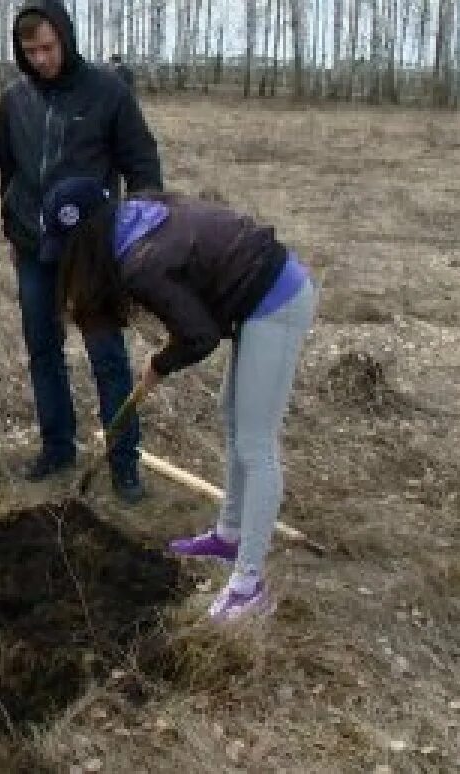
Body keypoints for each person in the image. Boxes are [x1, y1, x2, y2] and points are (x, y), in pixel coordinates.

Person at [43, 177, 317, 622]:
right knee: (232, 418)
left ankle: (249, 586)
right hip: (253, 299)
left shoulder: (138, 263)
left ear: (86, 240)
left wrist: (161, 363)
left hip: (276, 301)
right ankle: (229, 536)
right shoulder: (133, 221)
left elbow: (200, 336)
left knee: (255, 445)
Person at [0, 0, 163, 503]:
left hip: (94, 254)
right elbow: (10, 169)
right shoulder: (13, 99)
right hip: (34, 247)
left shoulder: (108, 93)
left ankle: (124, 463)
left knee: (106, 356)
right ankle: (56, 447)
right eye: (30, 52)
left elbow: (144, 167)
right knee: (42, 349)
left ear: (66, 39)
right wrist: (12, 225)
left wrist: (138, 232)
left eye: (48, 48)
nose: (41, 59)